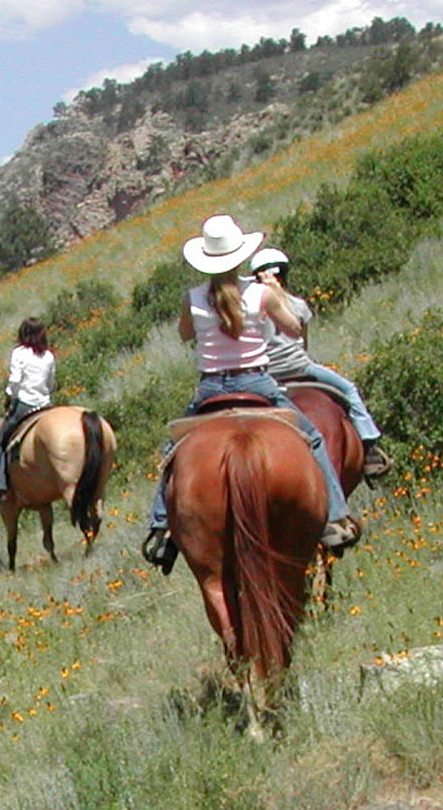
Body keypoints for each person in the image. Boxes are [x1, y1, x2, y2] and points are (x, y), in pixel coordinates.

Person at [142, 214, 359, 570]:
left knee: (172, 451)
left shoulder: (192, 298)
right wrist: (277, 298)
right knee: (314, 438)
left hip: (210, 387)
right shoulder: (261, 294)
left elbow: (185, 335)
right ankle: (335, 517)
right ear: (240, 255)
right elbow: (293, 328)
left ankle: (162, 528)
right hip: (257, 383)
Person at [249, 247, 386, 467]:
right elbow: (303, 343)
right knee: (349, 390)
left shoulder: (250, 309)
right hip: (301, 367)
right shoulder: (298, 305)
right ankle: (370, 445)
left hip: (267, 373)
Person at [0, 316, 54, 501]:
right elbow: (51, 383)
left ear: (23, 333)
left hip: (25, 405)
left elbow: (15, 380)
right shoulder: (48, 355)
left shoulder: (19, 353)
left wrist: (9, 395)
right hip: (45, 405)